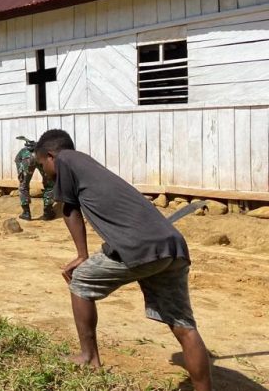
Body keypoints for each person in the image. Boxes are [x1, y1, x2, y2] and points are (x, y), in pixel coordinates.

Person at [35, 129, 211, 391]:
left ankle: (88, 357)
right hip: (172, 245)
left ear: (50, 155)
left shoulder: (65, 162)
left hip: (140, 248)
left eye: (42, 165)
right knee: (184, 326)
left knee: (80, 280)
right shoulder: (88, 165)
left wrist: (82, 255)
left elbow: (69, 209)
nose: (45, 173)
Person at [15, 135, 55, 221]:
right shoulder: (43, 151)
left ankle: (26, 213)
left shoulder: (24, 151)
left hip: (27, 159)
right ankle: (48, 212)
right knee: (49, 185)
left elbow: (17, 159)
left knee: (23, 186)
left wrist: (20, 173)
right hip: (41, 157)